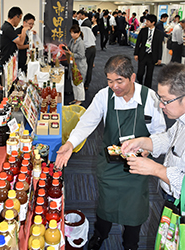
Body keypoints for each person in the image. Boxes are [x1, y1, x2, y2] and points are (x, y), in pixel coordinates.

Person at [55, 55, 166, 250]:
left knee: (134, 210)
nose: (114, 86)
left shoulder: (150, 98)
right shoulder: (103, 96)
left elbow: (161, 133)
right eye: (109, 80)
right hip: (109, 164)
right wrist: (71, 144)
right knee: (106, 205)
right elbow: (87, 122)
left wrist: (148, 149)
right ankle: (100, 235)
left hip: (137, 166)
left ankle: (131, 243)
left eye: (119, 81)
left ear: (132, 78)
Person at [121, 62, 185, 204]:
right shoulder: (181, 120)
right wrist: (143, 142)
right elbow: (169, 138)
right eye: (160, 98)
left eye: (166, 101)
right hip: (170, 195)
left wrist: (156, 169)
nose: (161, 105)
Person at [134, 14, 163, 88]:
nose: (146, 22)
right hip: (143, 54)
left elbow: (160, 46)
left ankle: (147, 88)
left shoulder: (159, 33)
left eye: (147, 21)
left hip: (152, 55)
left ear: (153, 22)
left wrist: (159, 58)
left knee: (149, 74)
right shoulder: (143, 31)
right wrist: (136, 53)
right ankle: (140, 83)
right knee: (140, 73)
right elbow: (138, 43)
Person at [66, 25, 87, 105]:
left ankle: (80, 100)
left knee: (79, 83)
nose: (73, 34)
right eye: (71, 33)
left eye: (75, 33)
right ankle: (76, 98)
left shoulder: (80, 43)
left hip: (79, 66)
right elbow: (69, 48)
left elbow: (81, 55)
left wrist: (71, 54)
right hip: (73, 65)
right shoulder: (72, 40)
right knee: (73, 83)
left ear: (79, 33)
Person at [80, 26, 96, 90]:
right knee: (90, 67)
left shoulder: (79, 30)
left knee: (83, 67)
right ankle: (87, 84)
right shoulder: (88, 29)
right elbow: (94, 39)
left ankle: (82, 84)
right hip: (93, 48)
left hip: (86, 50)